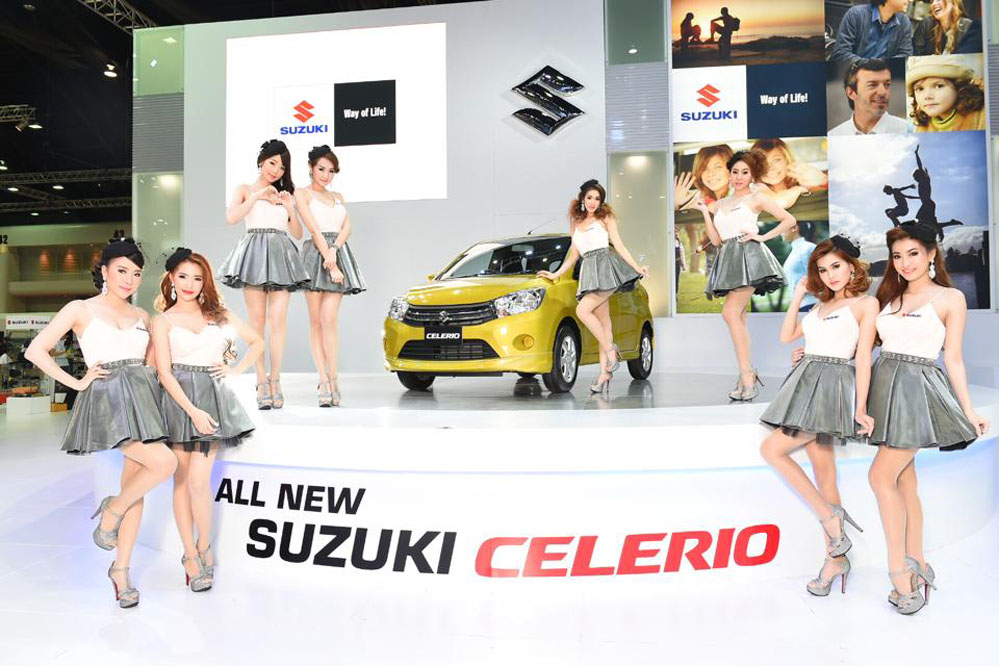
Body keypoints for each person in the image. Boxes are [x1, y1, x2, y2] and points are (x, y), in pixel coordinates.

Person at [24, 238, 177, 609]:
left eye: (136, 274)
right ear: (104, 270)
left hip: (142, 400)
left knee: (134, 488)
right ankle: (111, 510)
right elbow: (35, 350)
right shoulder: (81, 308)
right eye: (122, 270)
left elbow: (154, 365)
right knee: (165, 463)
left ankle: (120, 569)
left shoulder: (142, 316)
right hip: (109, 401)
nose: (129, 280)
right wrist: (77, 383)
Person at [865, 221, 987, 614]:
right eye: (897, 256)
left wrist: (968, 409)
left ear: (932, 254)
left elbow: (954, 359)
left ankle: (899, 572)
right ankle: (917, 560)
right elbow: (868, 344)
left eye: (913, 254)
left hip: (917, 392)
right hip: (885, 388)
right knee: (904, 481)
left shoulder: (950, 298)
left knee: (879, 476)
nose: (905, 263)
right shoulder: (888, 295)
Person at [760, 235, 879, 596]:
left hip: (832, 389)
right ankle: (835, 559)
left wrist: (860, 406)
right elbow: (787, 336)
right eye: (823, 270)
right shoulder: (821, 306)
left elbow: (863, 357)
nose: (830, 275)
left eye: (836, 266)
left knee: (772, 449)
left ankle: (830, 519)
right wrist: (799, 294)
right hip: (806, 383)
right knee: (825, 477)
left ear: (852, 267)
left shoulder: (865, 304)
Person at [152, 248, 263, 593]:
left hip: (211, 399)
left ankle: (204, 546)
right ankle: (190, 555)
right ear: (172, 278)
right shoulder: (163, 321)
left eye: (197, 278)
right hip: (178, 403)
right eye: (183, 276)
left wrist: (235, 370)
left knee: (199, 482)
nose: (189, 284)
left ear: (205, 282)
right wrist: (192, 411)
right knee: (182, 482)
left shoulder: (218, 314)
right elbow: (164, 373)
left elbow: (257, 342)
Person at [693, 151, 796, 400]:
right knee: (738, 316)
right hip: (729, 259)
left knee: (729, 313)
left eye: (745, 172)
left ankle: (747, 374)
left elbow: (788, 219)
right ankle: (745, 376)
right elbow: (717, 241)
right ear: (730, 173)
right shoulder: (720, 204)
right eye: (735, 172)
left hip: (749, 258)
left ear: (752, 175)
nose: (739, 177)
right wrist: (705, 212)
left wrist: (761, 237)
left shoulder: (756, 198)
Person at [219, 139, 309, 410]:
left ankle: (275, 379)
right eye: (272, 163)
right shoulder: (244, 189)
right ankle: (260, 380)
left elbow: (297, 234)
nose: (276, 171)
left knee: (278, 320)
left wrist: (290, 207)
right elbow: (232, 218)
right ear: (261, 161)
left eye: (281, 168)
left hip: (281, 255)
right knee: (256, 322)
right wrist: (257, 196)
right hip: (255, 255)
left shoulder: (286, 194)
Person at [538, 179, 648, 393]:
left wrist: (637, 267)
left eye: (597, 198)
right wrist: (556, 274)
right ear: (582, 198)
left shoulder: (606, 217)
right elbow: (574, 254)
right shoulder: (576, 222)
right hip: (589, 270)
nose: (593, 202)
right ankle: (604, 373)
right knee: (604, 324)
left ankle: (611, 350)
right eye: (589, 197)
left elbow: (619, 245)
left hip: (606, 267)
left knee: (582, 310)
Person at [295, 145, 367, 407]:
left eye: (331, 171)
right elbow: (313, 229)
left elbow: (347, 227)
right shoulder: (302, 193)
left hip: (337, 251)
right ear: (311, 168)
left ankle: (334, 378)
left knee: (329, 320)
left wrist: (334, 251)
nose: (326, 175)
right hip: (315, 255)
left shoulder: (338, 196)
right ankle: (323, 380)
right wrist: (329, 260)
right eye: (321, 169)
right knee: (315, 321)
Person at [829, 58, 914, 135]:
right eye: (872, 85)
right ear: (851, 93)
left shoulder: (909, 131)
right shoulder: (834, 136)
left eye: (887, 84)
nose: (883, 92)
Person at [907, 55, 986, 132]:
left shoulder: (982, 117)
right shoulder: (922, 129)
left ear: (959, 87)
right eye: (920, 89)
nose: (927, 96)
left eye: (938, 86)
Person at [752, 139, 827, 211]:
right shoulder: (755, 188)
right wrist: (799, 189)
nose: (770, 168)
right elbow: (778, 203)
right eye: (762, 162)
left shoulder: (801, 182)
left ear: (787, 160)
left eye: (776, 160)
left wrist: (823, 180)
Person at [829, 0, 913, 62]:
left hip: (884, 74)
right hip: (851, 73)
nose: (910, 1)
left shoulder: (904, 22)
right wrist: (871, 65)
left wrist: (883, 67)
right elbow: (841, 53)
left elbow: (906, 54)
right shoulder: (856, 14)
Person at [912, 0, 983, 56]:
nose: (933, 4)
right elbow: (916, 57)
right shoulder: (927, 25)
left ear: (952, 2)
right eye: (932, 1)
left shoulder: (967, 26)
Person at [780, 223, 817, 312]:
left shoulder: (809, 248)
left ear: (794, 228)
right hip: (798, 306)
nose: (780, 232)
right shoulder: (794, 252)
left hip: (811, 304)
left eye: (782, 228)